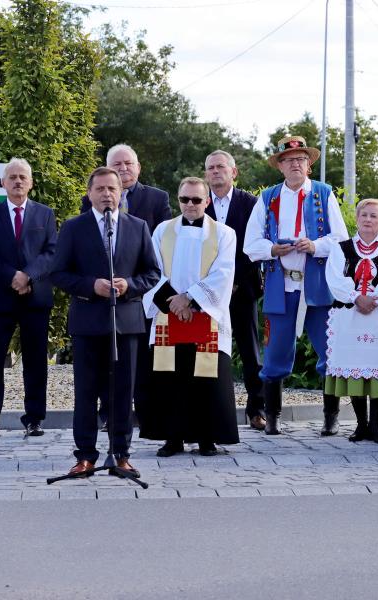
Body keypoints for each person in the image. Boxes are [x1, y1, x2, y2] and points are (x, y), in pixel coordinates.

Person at [51, 167, 160, 477]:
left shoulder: (138, 227)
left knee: (123, 392)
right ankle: (85, 455)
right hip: (87, 322)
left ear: (120, 193)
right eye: (100, 189)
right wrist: (91, 285)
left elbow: (152, 273)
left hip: (126, 323)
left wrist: (129, 285)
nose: (107, 194)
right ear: (89, 194)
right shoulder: (73, 227)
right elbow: (59, 273)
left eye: (112, 188)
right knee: (86, 391)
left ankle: (121, 454)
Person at [243, 135, 349, 436]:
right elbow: (250, 243)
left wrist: (315, 245)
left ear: (309, 165)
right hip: (281, 287)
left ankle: (330, 417)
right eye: (288, 160)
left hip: (318, 287)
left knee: (329, 351)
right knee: (275, 354)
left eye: (301, 159)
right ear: (280, 166)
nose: (295, 164)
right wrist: (272, 249)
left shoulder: (323, 193)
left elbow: (341, 239)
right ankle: (273, 417)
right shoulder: (268, 198)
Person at [139, 177, 239, 457]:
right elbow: (152, 269)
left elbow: (224, 273)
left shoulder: (224, 233)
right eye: (185, 199)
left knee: (206, 379)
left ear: (207, 201)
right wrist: (175, 303)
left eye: (196, 200)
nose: (190, 205)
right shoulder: (163, 230)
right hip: (168, 314)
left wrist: (190, 298)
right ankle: (173, 438)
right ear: (178, 200)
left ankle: (207, 438)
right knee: (170, 378)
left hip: (207, 315)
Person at [81, 144, 171, 429]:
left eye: (128, 163)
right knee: (108, 362)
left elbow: (163, 246)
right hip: (102, 298)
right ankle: (109, 414)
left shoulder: (157, 198)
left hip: (143, 293)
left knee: (140, 361)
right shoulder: (91, 201)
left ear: (138, 167)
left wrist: (133, 283)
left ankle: (144, 415)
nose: (123, 168)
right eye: (116, 164)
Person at [0, 158, 57, 440]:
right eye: (12, 177)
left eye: (23, 177)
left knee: (35, 361)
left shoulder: (45, 214)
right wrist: (13, 277)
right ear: (3, 183)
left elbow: (51, 252)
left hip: (35, 299)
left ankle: (34, 419)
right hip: (1, 298)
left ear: (31, 183)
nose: (18, 181)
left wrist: (28, 276)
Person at [324, 199, 378, 444]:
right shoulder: (341, 248)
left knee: (377, 367)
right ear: (357, 218)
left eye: (374, 216)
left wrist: (374, 297)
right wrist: (355, 297)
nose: (368, 219)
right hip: (348, 316)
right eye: (364, 215)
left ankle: (375, 426)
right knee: (354, 367)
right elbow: (334, 279)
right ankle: (361, 425)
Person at [203, 150, 266, 430]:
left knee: (250, 351)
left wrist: (232, 281)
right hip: (207, 292)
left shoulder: (251, 203)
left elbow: (255, 246)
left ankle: (257, 409)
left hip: (243, 288)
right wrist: (215, 284)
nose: (216, 171)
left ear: (234, 172)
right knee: (208, 351)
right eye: (211, 168)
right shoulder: (198, 202)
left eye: (221, 167)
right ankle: (209, 409)